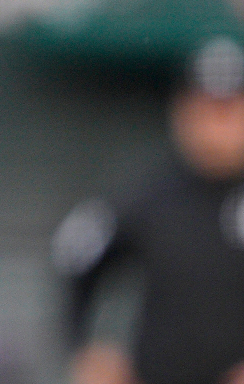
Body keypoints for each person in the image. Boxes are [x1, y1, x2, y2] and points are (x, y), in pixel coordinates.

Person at [53, 36, 244, 384]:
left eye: (228, 109)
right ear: (182, 110)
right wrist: (85, 349)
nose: (217, 125)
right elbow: (73, 258)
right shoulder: (146, 192)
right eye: (206, 108)